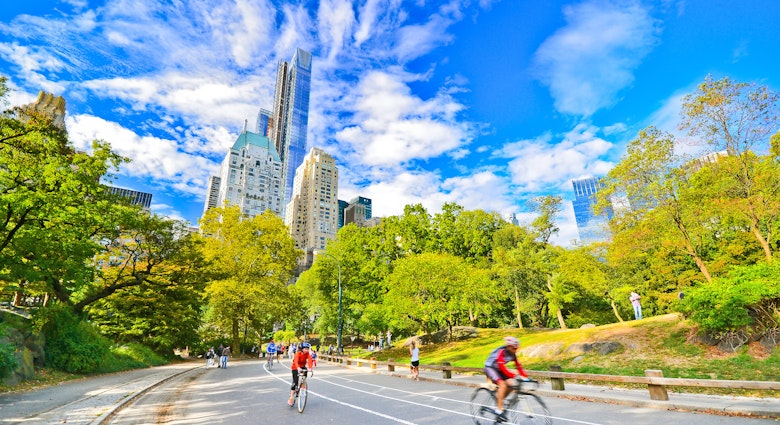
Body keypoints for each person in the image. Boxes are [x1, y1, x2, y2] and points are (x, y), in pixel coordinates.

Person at [484, 336, 530, 422]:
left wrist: (526, 377)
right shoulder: (501, 352)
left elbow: (518, 366)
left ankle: (500, 399)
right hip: (490, 367)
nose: (515, 350)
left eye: (516, 348)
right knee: (503, 385)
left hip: (499, 369)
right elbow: (502, 367)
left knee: (512, 384)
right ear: (509, 347)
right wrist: (513, 375)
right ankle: (499, 410)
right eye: (514, 348)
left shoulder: (513, 354)